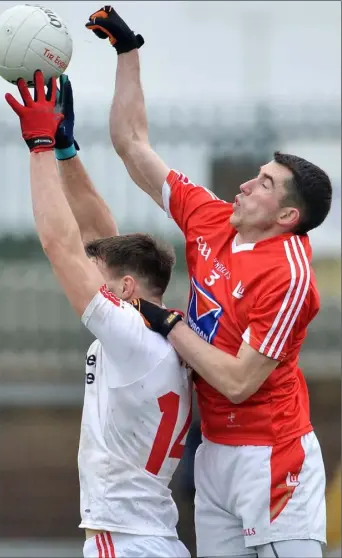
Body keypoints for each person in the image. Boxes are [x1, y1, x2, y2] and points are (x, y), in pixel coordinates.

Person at [85, 6, 332, 558]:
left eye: (265, 183)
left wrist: (168, 322)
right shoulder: (213, 219)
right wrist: (128, 50)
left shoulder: (289, 275)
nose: (247, 184)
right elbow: (131, 142)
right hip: (213, 452)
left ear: (287, 216)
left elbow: (240, 382)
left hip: (271, 459)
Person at [4, 71, 192, 558]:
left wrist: (40, 145)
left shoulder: (131, 335)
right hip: (154, 538)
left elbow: (60, 245)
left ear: (127, 288)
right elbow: (96, 235)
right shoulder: (157, 332)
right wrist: (67, 151)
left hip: (123, 543)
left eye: (100, 274)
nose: (91, 277)